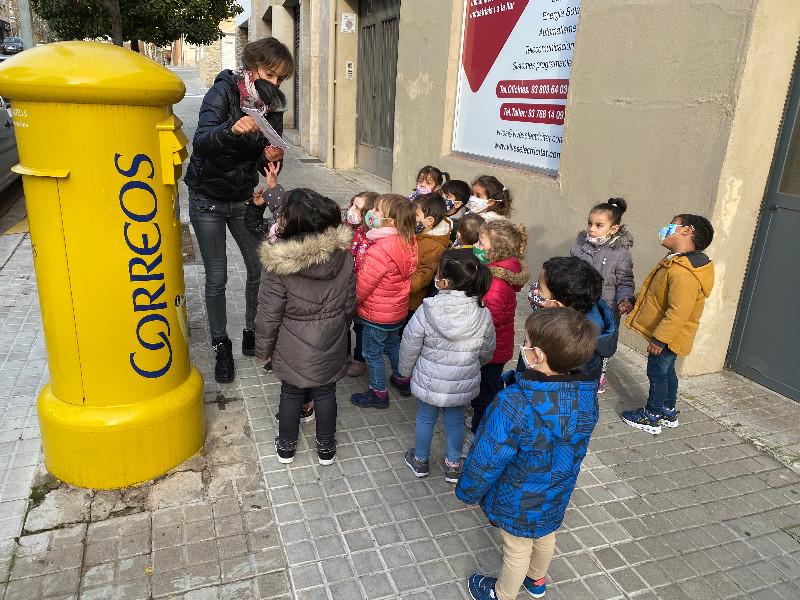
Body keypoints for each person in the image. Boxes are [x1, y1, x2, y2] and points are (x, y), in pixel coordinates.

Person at [456, 307, 599, 600]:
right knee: (545, 534)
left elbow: (487, 457)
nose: (524, 346)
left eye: (527, 342)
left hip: (517, 496)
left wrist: (468, 492)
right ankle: (536, 580)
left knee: (517, 547)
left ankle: (503, 594)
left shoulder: (514, 403)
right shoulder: (587, 396)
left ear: (537, 355)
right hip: (557, 489)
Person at [185, 37, 294, 384]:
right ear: (252, 66)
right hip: (207, 198)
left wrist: (272, 159)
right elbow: (201, 142)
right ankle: (221, 344)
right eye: (270, 75)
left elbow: (264, 157)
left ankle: (251, 329)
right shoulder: (223, 92)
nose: (274, 84)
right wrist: (230, 129)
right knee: (217, 277)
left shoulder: (273, 105)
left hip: (244, 198)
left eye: (280, 79)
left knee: (259, 267)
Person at [254, 189, 356, 465]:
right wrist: (340, 329)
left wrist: (263, 349)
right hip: (332, 337)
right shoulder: (343, 256)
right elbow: (349, 304)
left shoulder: (278, 265)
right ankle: (326, 448)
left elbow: (268, 314)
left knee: (291, 393)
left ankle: (286, 448)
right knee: (326, 393)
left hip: (292, 344)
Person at [399, 250, 495, 483]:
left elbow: (410, 343)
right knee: (456, 421)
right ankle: (453, 465)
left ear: (444, 281)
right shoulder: (483, 312)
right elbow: (487, 350)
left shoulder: (428, 308)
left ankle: (420, 460)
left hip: (430, 379)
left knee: (425, 419)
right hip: (462, 380)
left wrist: (404, 371)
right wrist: (473, 366)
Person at [622, 214, 715, 434]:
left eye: (673, 224)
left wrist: (659, 339)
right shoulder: (675, 261)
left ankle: (652, 415)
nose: (666, 228)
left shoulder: (683, 272)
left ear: (686, 231)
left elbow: (678, 312)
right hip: (669, 335)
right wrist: (634, 301)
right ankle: (668, 410)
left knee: (657, 373)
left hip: (668, 336)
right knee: (666, 371)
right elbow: (656, 294)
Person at [350, 194, 418, 409]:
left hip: (376, 314)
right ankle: (402, 378)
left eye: (377, 210)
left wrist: (351, 303)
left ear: (391, 221)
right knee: (392, 344)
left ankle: (378, 392)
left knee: (372, 353)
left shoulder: (379, 249)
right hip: (396, 310)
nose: (372, 213)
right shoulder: (408, 241)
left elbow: (363, 285)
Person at [570, 198, 635, 393]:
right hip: (579, 303)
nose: (591, 229)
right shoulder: (580, 246)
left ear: (613, 229)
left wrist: (625, 299)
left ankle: (599, 375)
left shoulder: (621, 253)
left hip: (605, 307)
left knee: (601, 343)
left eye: (599, 225)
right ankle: (574, 367)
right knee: (577, 337)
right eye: (590, 223)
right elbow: (570, 271)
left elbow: (625, 280)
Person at [470, 220, 530, 433]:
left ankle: (481, 429)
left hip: (491, 349)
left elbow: (490, 319)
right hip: (496, 346)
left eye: (481, 243)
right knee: (488, 385)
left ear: (496, 252)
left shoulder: (495, 283)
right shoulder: (498, 271)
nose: (476, 246)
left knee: (486, 391)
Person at [528, 257, 618, 381]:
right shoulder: (576, 312)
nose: (535, 290)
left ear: (557, 305)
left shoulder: (573, 345)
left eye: (540, 288)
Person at [345, 191, 379, 378]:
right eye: (352, 204)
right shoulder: (350, 229)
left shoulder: (375, 237)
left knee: (360, 327)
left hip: (364, 292)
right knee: (343, 324)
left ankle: (360, 359)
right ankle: (344, 356)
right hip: (345, 286)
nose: (351, 210)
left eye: (357, 208)